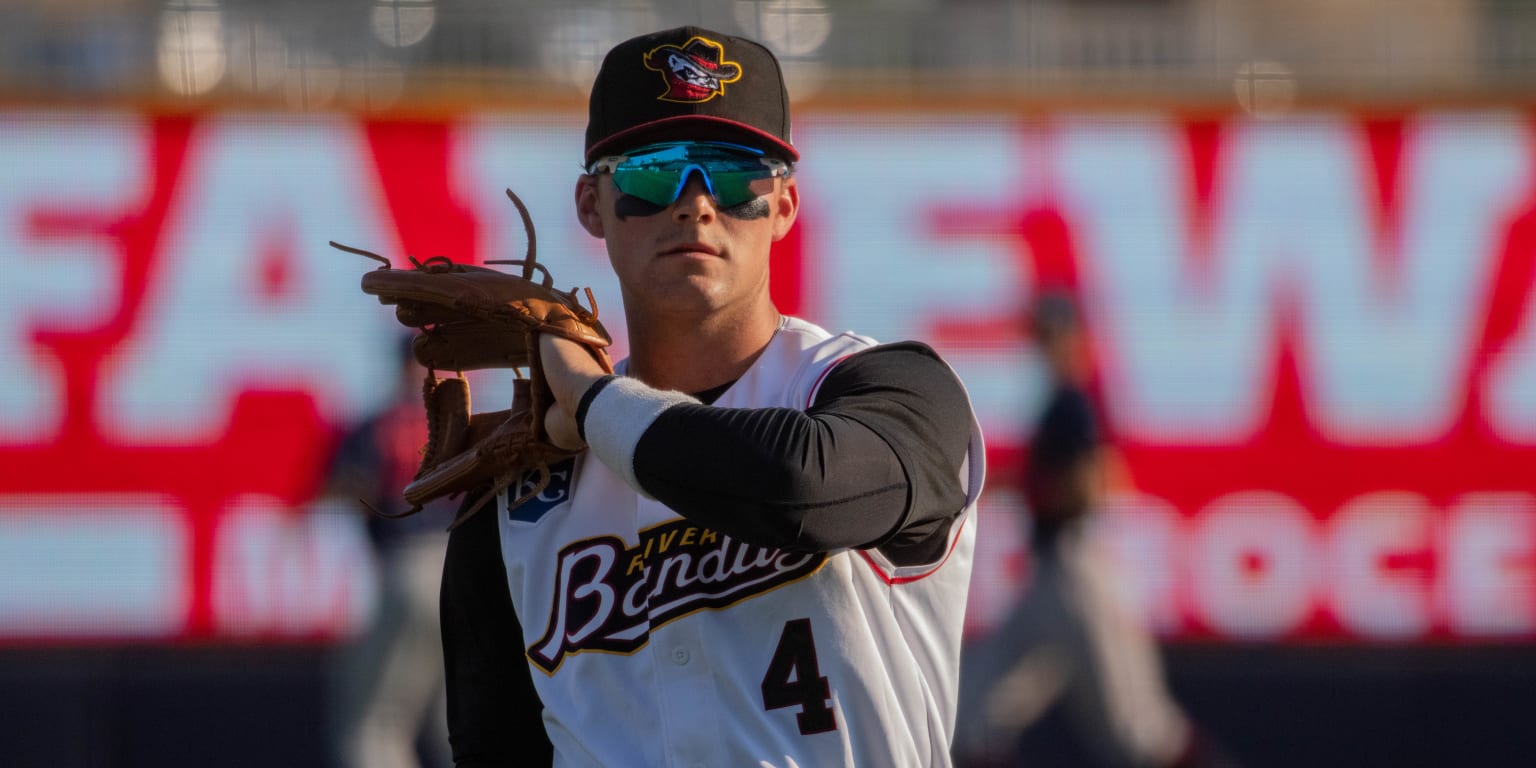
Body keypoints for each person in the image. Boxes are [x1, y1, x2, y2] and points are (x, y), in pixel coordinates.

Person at [437, 25, 987, 767]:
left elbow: (797, 485)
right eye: (654, 173)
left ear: (784, 207)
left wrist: (595, 400)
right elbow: (493, 745)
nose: (696, 204)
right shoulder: (519, 488)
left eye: (733, 176)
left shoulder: (888, 389)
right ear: (592, 204)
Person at [952, 292, 1225, 768]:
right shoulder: (1063, 400)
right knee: (972, 715)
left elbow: (1089, 485)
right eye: (1041, 334)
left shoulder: (1076, 401)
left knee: (1138, 731)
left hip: (1077, 570)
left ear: (1076, 340)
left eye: (1052, 334)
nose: (1043, 344)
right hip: (1051, 576)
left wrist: (1026, 483)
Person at [323, 337, 454, 768]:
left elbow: (346, 491)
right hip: (464, 577)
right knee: (458, 720)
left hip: (410, 568)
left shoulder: (376, 427)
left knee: (375, 724)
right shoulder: (468, 426)